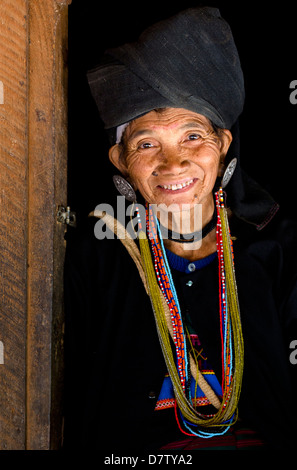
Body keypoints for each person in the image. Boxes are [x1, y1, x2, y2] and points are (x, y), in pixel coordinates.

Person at [63, 7, 297, 451]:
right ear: (121, 162)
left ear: (223, 145)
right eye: (147, 144)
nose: (174, 164)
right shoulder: (94, 259)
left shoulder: (278, 248)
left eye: (192, 136)